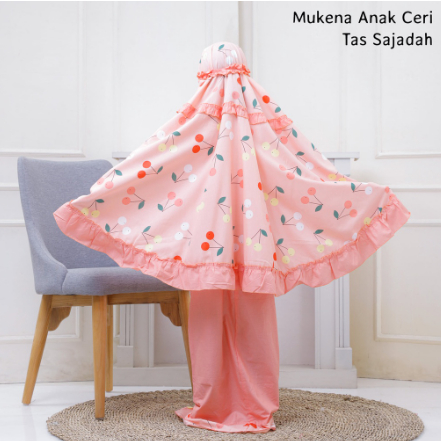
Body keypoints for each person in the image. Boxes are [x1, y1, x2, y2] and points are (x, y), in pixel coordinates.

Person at [54, 42, 411, 433]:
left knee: (209, 316)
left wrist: (105, 189)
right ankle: (257, 405)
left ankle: (212, 404)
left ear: (204, 73)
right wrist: (353, 192)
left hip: (209, 245)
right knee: (254, 317)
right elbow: (304, 165)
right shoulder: (264, 119)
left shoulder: (195, 119)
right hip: (255, 243)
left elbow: (155, 159)